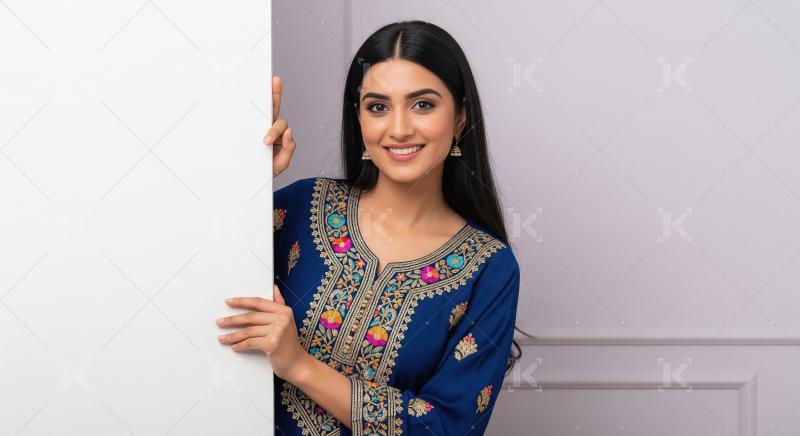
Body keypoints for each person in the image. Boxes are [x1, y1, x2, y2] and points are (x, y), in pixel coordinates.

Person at [215, 20, 522, 435]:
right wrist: (246, 181)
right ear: (358, 118)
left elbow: (448, 427)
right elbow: (193, 286)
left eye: (423, 104)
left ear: (461, 115)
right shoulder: (300, 206)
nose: (398, 129)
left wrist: (299, 365)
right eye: (378, 106)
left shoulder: (488, 268)